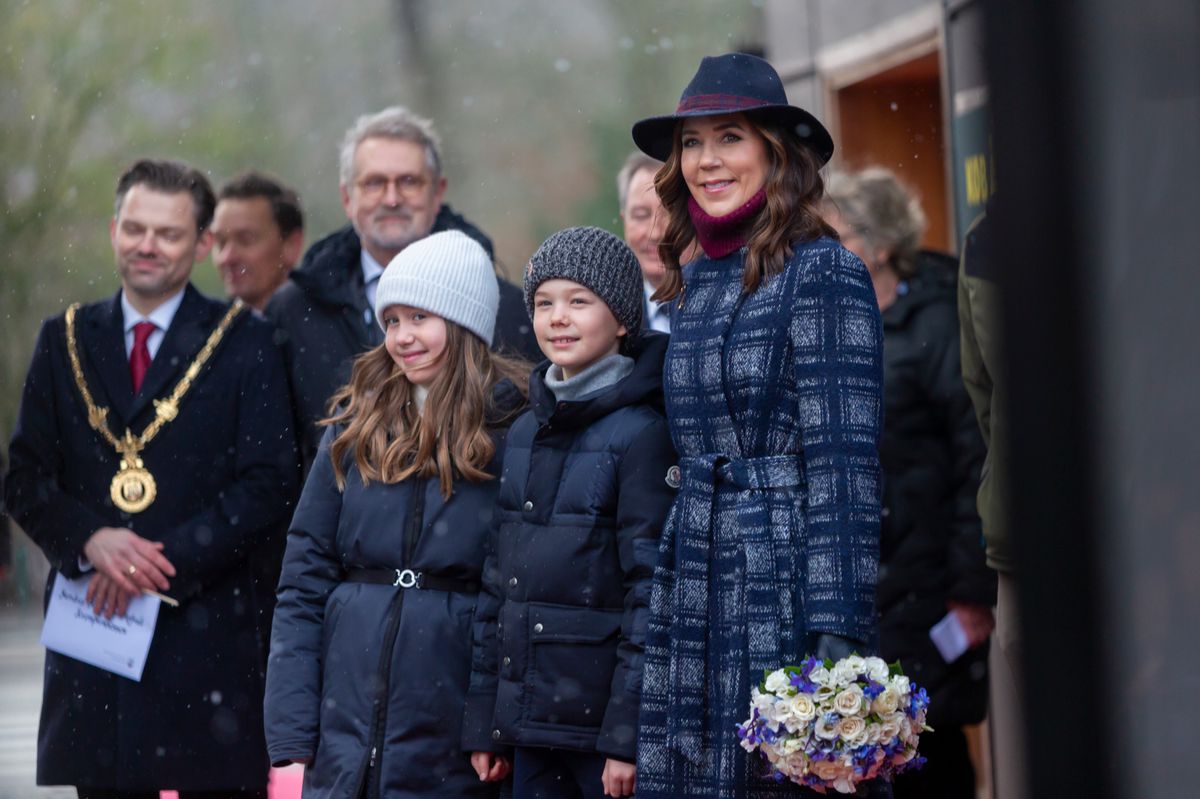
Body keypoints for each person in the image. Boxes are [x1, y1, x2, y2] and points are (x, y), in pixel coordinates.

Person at [629, 53, 884, 797]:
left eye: (730, 137)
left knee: (777, 775)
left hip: (785, 573)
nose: (707, 160)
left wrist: (837, 628)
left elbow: (845, 463)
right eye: (692, 143)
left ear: (776, 151)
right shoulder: (693, 280)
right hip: (694, 571)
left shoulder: (823, 270)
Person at [4, 158, 299, 798]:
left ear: (202, 244)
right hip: (96, 634)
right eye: (135, 228)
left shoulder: (245, 341)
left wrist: (158, 561)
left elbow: (269, 484)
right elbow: (24, 480)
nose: (147, 245)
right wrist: (92, 541)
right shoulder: (63, 338)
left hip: (206, 635)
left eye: (168, 234)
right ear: (114, 230)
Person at [264, 230, 529, 799]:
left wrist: (492, 724)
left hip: (449, 734)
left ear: (463, 324)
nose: (402, 337)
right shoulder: (352, 428)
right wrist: (291, 719)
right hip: (345, 735)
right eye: (391, 321)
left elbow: (512, 598)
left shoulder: (514, 432)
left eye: (419, 318)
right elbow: (304, 578)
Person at [463, 226, 678, 799]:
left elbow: (651, 592)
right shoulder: (525, 430)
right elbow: (498, 585)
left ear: (623, 319)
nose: (558, 317)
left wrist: (626, 736)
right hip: (529, 725)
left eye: (579, 301)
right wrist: (487, 720)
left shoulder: (642, 434)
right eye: (543, 303)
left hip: (596, 735)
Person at [824, 168, 996, 799]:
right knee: (863, 746)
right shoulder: (831, 323)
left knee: (929, 740)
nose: (825, 255)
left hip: (931, 582)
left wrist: (971, 588)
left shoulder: (936, 322)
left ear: (880, 244)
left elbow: (975, 455)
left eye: (839, 239)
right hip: (867, 578)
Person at [267, 106, 540, 471]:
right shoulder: (293, 310)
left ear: (438, 191)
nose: (392, 198)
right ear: (347, 197)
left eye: (409, 181)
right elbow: (280, 457)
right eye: (374, 183)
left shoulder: (508, 308)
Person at [957, 207, 1025, 799]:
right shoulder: (984, 239)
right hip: (1021, 531)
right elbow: (982, 393)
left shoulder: (987, 236)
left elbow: (983, 395)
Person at [211, 170, 305, 312]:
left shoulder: (327, 322)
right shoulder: (205, 324)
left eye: (245, 240)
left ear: (291, 245)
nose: (227, 258)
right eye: (220, 242)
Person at [617, 151, 671, 333]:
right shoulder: (613, 322)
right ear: (624, 221)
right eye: (641, 215)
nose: (655, 233)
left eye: (670, 213)